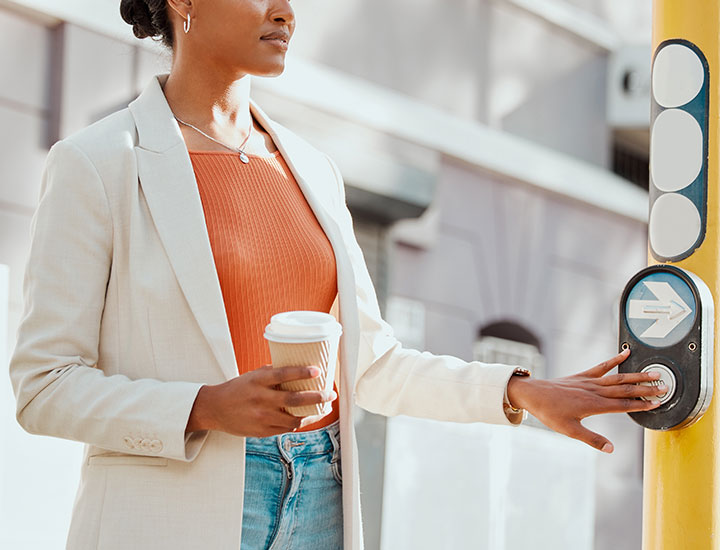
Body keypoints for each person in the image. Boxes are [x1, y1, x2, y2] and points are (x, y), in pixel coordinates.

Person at [8, 1, 665, 549]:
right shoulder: (98, 165)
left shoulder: (312, 169)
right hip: (173, 510)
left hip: (321, 493)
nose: (286, 12)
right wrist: (203, 406)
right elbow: (45, 386)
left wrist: (520, 393)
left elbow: (372, 365)